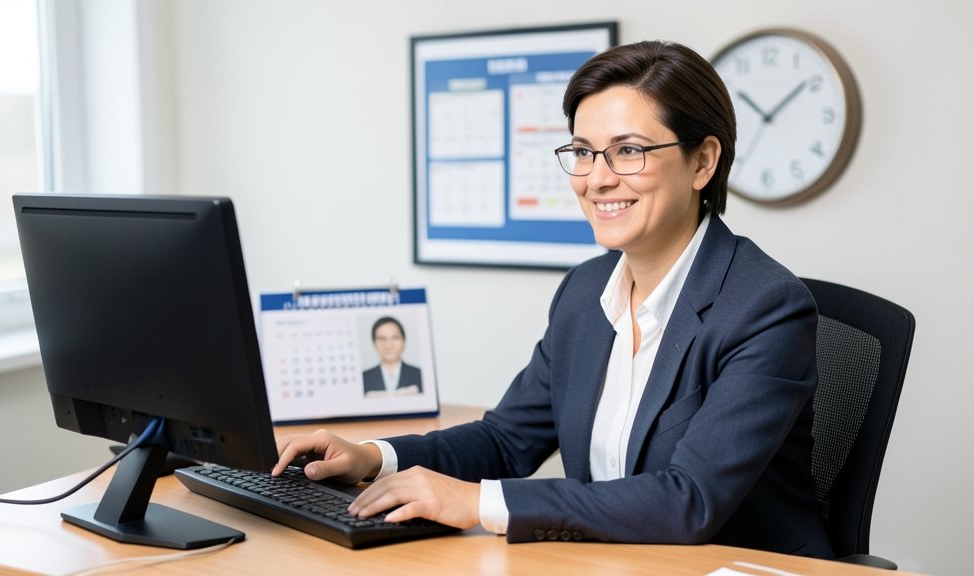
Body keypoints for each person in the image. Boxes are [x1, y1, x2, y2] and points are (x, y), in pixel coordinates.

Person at [273, 40, 834, 558]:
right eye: (583, 152)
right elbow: (505, 439)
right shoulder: (586, 291)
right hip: (609, 560)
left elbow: (689, 500)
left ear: (703, 162)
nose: (597, 179)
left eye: (629, 151)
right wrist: (373, 457)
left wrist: (477, 503)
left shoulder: (765, 308)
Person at [362, 316, 423, 397]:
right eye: (382, 339)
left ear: (404, 342)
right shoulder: (363, 379)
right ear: (374, 344)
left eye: (395, 338)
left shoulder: (420, 375)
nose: (388, 345)